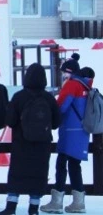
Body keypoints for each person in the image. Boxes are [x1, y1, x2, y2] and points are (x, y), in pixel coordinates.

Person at [0, 63, 60, 215]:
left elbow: (10, 121)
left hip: (21, 143)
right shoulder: (49, 98)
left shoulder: (19, 97)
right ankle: (33, 209)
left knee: (17, 174)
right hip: (42, 145)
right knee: (38, 175)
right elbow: (56, 123)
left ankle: (11, 207)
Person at [41, 55, 91, 214]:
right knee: (74, 165)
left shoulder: (71, 85)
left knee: (61, 165)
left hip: (70, 132)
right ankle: (78, 202)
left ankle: (56, 202)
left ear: (69, 72)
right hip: (81, 131)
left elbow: (61, 107)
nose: (62, 75)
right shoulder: (84, 85)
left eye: (64, 72)